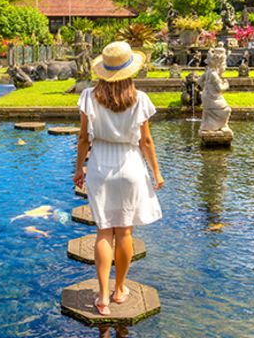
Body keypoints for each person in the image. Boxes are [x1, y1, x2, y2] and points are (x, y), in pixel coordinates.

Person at [73, 41, 164, 316]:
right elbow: (146, 141)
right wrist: (156, 172)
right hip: (131, 166)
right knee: (124, 231)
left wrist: (79, 169)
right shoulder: (140, 98)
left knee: (103, 231)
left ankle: (102, 296)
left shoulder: (88, 97)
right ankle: (120, 289)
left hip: (100, 165)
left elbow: (82, 139)